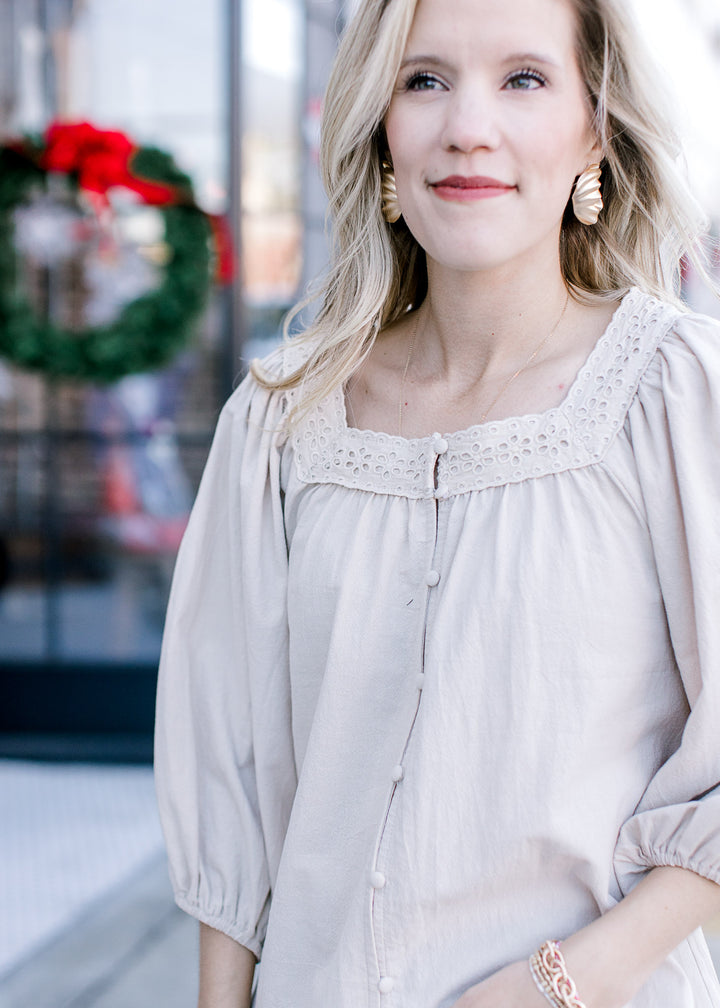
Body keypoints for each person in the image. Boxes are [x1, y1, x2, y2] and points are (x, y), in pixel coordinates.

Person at [154, 0, 720, 1004]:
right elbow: (231, 786)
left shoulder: (675, 392)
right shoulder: (281, 420)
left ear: (595, 129)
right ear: (381, 128)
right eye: (424, 80)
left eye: (524, 79)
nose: (468, 126)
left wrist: (553, 984)